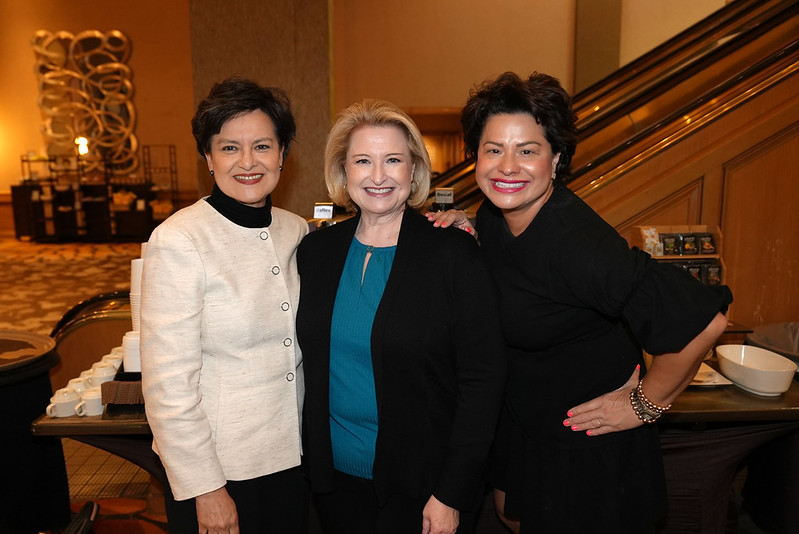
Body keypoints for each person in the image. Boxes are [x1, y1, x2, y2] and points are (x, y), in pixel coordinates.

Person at [427, 72, 733, 533]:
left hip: (586, 441)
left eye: (527, 150)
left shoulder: (578, 244)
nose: (507, 166)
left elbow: (702, 321)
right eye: (493, 149)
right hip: (528, 420)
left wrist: (644, 403)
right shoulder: (496, 216)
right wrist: (466, 225)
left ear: (557, 159)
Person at [295, 99, 507, 534]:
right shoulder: (315, 253)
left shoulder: (452, 253)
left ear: (413, 171)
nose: (377, 176)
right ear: (344, 171)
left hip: (424, 487)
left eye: (393, 160)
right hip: (333, 483)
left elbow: (483, 381)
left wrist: (451, 492)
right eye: (362, 161)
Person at [140, 78, 309, 534]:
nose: (249, 162)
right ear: (209, 158)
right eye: (230, 148)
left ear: (282, 154)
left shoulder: (295, 230)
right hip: (222, 470)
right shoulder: (179, 239)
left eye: (262, 146)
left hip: (291, 458)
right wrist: (206, 488)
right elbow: (167, 386)